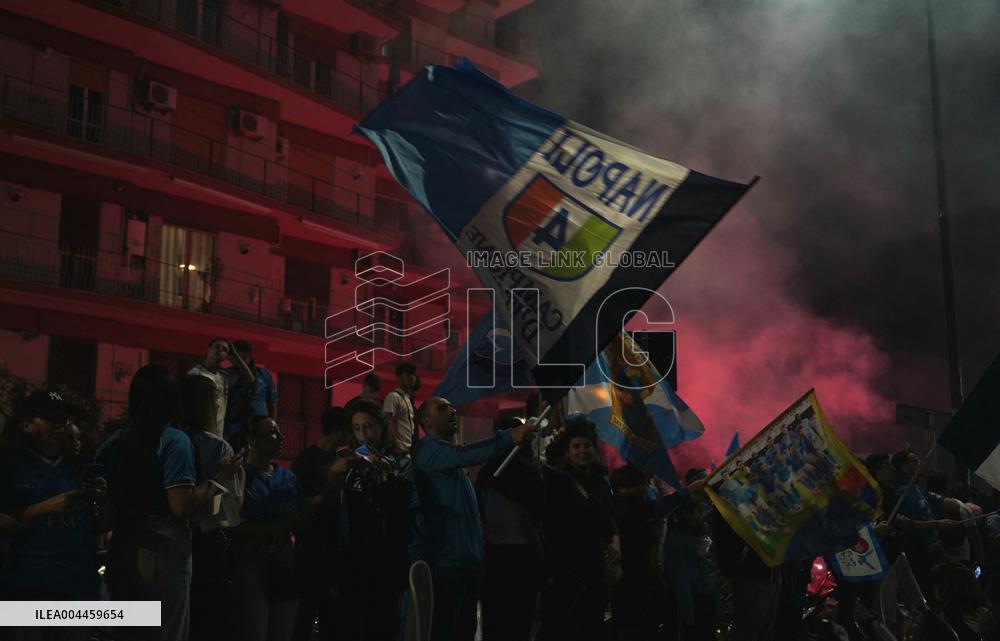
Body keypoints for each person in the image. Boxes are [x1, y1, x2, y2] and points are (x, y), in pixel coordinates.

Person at [98, 365, 238, 641]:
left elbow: (104, 510)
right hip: (164, 550)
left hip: (124, 544)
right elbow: (180, 505)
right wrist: (218, 478)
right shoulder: (174, 442)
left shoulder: (113, 444)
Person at [413, 396, 538, 641]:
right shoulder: (429, 451)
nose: (452, 410)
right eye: (442, 408)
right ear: (426, 421)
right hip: (447, 564)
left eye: (451, 406)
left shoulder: (453, 464)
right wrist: (508, 437)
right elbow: (466, 454)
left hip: (466, 564)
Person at [0, 391, 108, 641]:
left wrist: (103, 500)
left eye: (63, 418)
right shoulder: (10, 467)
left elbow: (103, 523)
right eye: (50, 418)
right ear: (27, 425)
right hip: (27, 588)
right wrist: (44, 508)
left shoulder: (80, 467)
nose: (59, 424)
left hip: (78, 587)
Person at [327, 399, 412, 641]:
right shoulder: (349, 467)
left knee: (381, 625)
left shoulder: (398, 465)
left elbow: (398, 509)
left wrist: (384, 474)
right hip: (351, 559)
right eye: (356, 428)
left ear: (381, 428)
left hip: (384, 562)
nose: (363, 435)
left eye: (369, 427)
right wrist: (332, 477)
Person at [537, 418, 620, 641]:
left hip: (596, 566)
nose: (582, 451)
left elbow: (608, 516)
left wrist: (614, 539)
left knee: (593, 625)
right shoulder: (556, 482)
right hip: (567, 569)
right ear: (567, 451)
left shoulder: (600, 481)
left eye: (587, 445)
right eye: (576, 446)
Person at [231, 416, 312, 641]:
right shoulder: (240, 477)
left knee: (282, 632)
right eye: (272, 433)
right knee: (254, 630)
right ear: (252, 439)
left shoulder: (288, 478)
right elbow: (236, 526)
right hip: (251, 566)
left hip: (284, 563)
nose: (281, 437)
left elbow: (300, 519)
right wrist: (282, 523)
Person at [177, 375, 245, 641]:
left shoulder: (166, 439)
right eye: (216, 399)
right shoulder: (217, 447)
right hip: (207, 547)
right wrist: (237, 475)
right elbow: (232, 509)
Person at [476, 417, 545, 641]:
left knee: (495, 621)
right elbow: (530, 522)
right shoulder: (528, 474)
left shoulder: (486, 471)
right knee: (518, 621)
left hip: (493, 556)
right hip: (520, 556)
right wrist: (542, 557)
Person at [291, 407, 352, 641]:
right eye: (348, 430)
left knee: (332, 616)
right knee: (306, 612)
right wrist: (329, 477)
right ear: (337, 431)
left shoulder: (343, 458)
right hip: (313, 548)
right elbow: (299, 504)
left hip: (337, 548)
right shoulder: (308, 460)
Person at [664, 490, 720, 641]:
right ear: (685, 513)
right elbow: (679, 578)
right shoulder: (677, 539)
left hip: (707, 596)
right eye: (699, 511)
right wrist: (689, 615)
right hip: (692, 600)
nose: (703, 515)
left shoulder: (704, 535)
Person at [225, 340, 278, 444]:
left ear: (249, 356)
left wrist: (272, 427)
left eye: (244, 358)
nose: (241, 362)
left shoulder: (263, 374)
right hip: (234, 429)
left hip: (258, 428)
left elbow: (272, 403)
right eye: (238, 359)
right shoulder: (227, 374)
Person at [188, 338, 233, 438]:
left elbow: (250, 379)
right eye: (217, 346)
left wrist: (236, 356)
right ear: (209, 349)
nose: (220, 350)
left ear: (227, 356)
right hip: (199, 431)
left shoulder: (224, 377)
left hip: (218, 432)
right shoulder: (196, 373)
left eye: (224, 349)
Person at [383, 362, 418, 457]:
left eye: (413, 374)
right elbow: (389, 421)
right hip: (399, 452)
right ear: (399, 378)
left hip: (408, 450)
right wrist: (397, 446)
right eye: (407, 375)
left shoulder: (407, 398)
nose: (412, 377)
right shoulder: (393, 397)